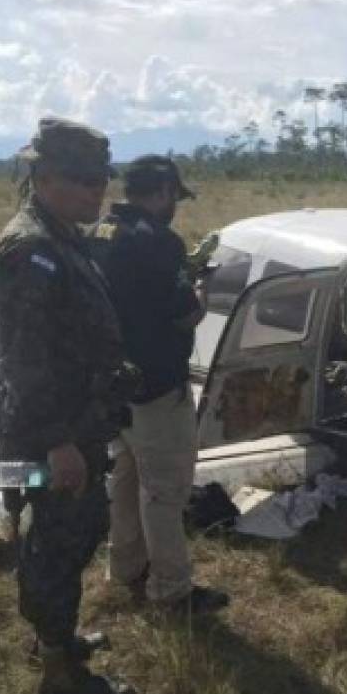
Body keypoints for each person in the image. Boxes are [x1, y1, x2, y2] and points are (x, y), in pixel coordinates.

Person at [0, 117, 138, 694]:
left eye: (101, 179)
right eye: (83, 180)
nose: (97, 190)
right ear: (44, 178)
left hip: (71, 426)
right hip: (49, 437)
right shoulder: (32, 250)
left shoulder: (59, 235)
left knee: (70, 536)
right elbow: (24, 359)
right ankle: (61, 680)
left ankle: (56, 640)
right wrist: (57, 443)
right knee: (57, 543)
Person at [90, 155, 230, 614]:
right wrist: (202, 290)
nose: (175, 207)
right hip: (157, 386)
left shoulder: (102, 232)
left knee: (126, 478)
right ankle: (171, 589)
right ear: (164, 191)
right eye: (174, 197)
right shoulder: (160, 243)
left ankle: (126, 567)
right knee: (166, 490)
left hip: (116, 385)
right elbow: (186, 315)